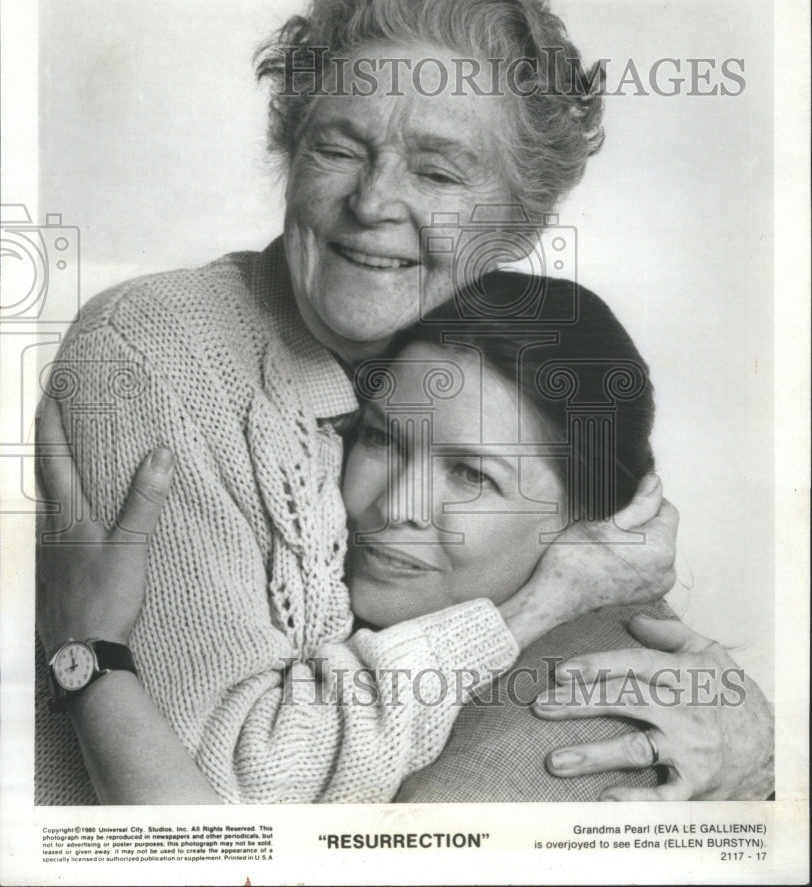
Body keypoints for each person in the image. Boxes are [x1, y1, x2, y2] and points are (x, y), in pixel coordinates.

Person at [34, 0, 771, 804]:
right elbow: (219, 803)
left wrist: (756, 742)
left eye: (438, 172)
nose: (375, 202)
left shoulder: (459, 355)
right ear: (289, 153)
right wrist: (541, 602)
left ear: (518, 221)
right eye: (339, 148)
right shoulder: (158, 353)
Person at [37, 273, 774, 802]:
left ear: (588, 524)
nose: (396, 507)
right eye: (386, 441)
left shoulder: (579, 717)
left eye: (472, 476)